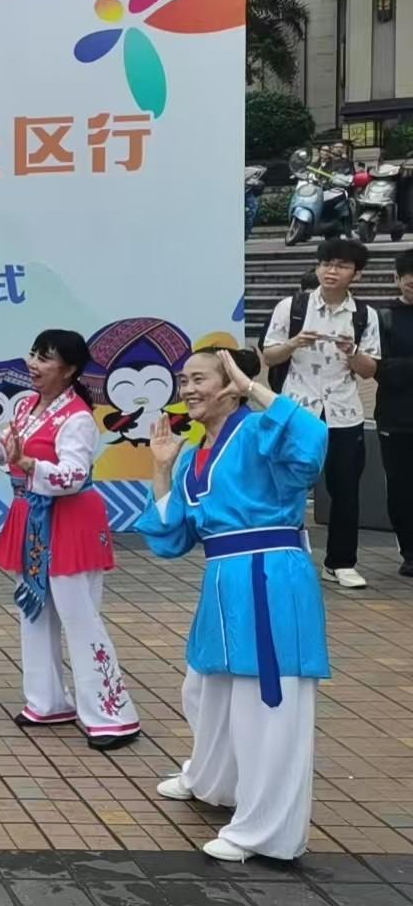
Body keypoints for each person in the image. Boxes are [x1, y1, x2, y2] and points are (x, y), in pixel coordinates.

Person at [137, 349, 329, 863]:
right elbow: (172, 538)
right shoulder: (195, 453)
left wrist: (255, 389)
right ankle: (212, 780)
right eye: (183, 380)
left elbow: (312, 441)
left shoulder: (260, 430)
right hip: (224, 582)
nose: (187, 389)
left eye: (198, 379)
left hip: (268, 577)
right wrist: (162, 469)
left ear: (231, 386)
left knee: (266, 704)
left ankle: (263, 832)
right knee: (205, 689)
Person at [0, 330, 140, 750]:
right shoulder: (27, 406)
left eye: (45, 358)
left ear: (70, 369)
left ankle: (113, 715)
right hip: (33, 518)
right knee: (34, 612)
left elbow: (74, 475)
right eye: (33, 354)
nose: (33, 364)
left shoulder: (78, 418)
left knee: (80, 618)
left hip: (69, 520)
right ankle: (47, 701)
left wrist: (28, 464)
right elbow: (7, 454)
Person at [260, 238, 378, 589]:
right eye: (326, 263)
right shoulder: (292, 307)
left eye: (341, 266)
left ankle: (341, 562)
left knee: (345, 489)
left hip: (344, 412)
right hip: (297, 411)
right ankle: (281, 554)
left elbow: (370, 370)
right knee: (285, 486)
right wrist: (294, 342)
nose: (331, 271)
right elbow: (269, 356)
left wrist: (352, 351)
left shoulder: (364, 315)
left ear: (356, 274)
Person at [376, 250, 413, 579]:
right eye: (409, 280)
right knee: (401, 487)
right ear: (397, 280)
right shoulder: (383, 317)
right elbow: (379, 369)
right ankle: (410, 552)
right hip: (396, 418)